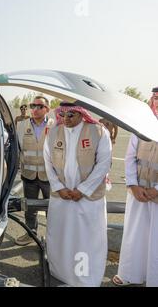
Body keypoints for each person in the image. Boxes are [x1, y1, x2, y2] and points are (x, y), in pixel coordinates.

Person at [43, 102, 112, 287]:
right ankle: (61, 273)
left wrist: (83, 190)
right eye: (62, 114)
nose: (66, 118)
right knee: (61, 236)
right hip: (62, 197)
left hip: (88, 199)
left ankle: (84, 278)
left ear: (82, 114)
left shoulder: (98, 131)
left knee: (86, 240)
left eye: (71, 115)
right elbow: (47, 162)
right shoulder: (54, 132)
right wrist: (58, 187)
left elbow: (104, 164)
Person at [113, 88, 158, 287]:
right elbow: (130, 157)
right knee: (134, 236)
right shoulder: (141, 125)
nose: (156, 102)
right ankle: (129, 274)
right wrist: (132, 185)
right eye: (155, 98)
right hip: (138, 192)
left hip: (156, 193)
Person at [15, 96, 54, 246]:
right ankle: (31, 233)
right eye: (33, 106)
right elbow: (18, 149)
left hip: (49, 177)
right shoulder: (22, 125)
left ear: (47, 109)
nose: (35, 109)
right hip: (29, 175)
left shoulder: (55, 125)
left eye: (39, 106)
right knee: (30, 208)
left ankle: (52, 238)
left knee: (52, 209)